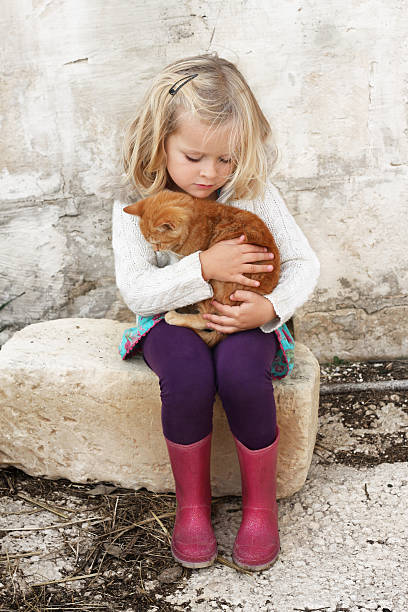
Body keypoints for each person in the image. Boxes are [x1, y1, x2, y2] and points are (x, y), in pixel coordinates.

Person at [112, 54, 320, 572]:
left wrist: (269, 308)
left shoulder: (252, 193)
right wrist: (203, 266)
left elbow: (303, 263)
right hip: (170, 319)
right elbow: (138, 292)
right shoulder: (135, 205)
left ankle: (258, 509)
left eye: (226, 159)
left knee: (240, 371)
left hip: (243, 315)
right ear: (160, 140)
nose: (210, 173)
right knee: (185, 373)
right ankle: (193, 509)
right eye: (195, 156)